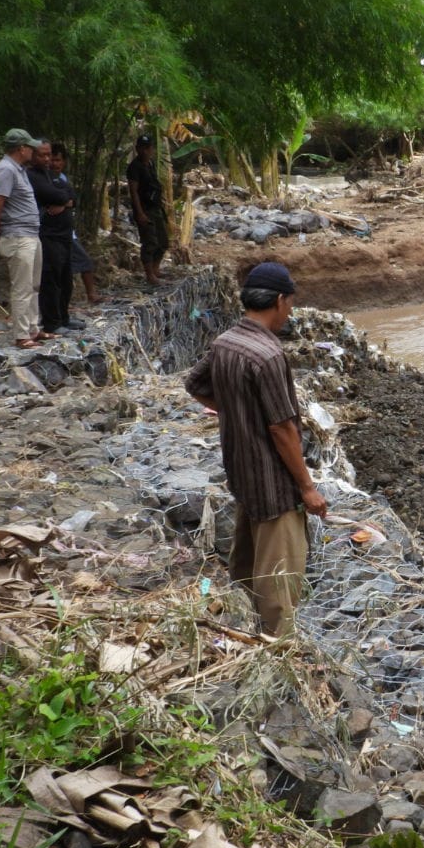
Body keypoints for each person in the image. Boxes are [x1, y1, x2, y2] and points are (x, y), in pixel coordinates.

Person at [184, 262, 329, 635]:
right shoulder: (268, 354)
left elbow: (195, 384)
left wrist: (235, 409)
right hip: (273, 481)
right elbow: (282, 428)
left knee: (247, 560)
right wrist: (307, 487)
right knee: (280, 575)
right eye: (290, 303)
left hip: (241, 470)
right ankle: (277, 647)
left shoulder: (226, 341)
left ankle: (242, 623)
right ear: (280, 301)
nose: (291, 312)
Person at [0, 128, 49, 349]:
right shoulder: (6, 170)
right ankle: (22, 335)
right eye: (30, 147)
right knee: (22, 287)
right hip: (18, 235)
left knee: (33, 284)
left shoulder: (18, 169)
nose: (33, 151)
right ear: (21, 149)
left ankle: (33, 327)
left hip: (30, 234)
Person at [27, 139, 81, 335]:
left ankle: (64, 317)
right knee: (51, 280)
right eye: (43, 155)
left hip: (64, 235)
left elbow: (72, 195)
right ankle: (52, 322)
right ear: (32, 155)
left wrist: (65, 201)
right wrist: (63, 198)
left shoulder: (54, 176)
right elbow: (55, 195)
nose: (48, 159)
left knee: (66, 280)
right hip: (48, 235)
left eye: (49, 155)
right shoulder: (32, 176)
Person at [51, 145, 103, 304]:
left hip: (66, 231)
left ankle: (88, 296)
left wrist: (66, 203)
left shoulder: (63, 179)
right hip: (54, 232)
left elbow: (72, 200)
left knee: (82, 262)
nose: (54, 163)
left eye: (57, 160)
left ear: (64, 162)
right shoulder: (45, 179)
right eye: (52, 160)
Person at [127, 133, 169, 286]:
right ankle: (149, 274)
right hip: (145, 208)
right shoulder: (134, 167)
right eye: (142, 148)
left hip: (156, 207)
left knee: (163, 242)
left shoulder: (150, 164)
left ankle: (156, 268)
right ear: (138, 149)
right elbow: (133, 191)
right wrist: (139, 213)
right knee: (149, 242)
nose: (145, 151)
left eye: (148, 148)